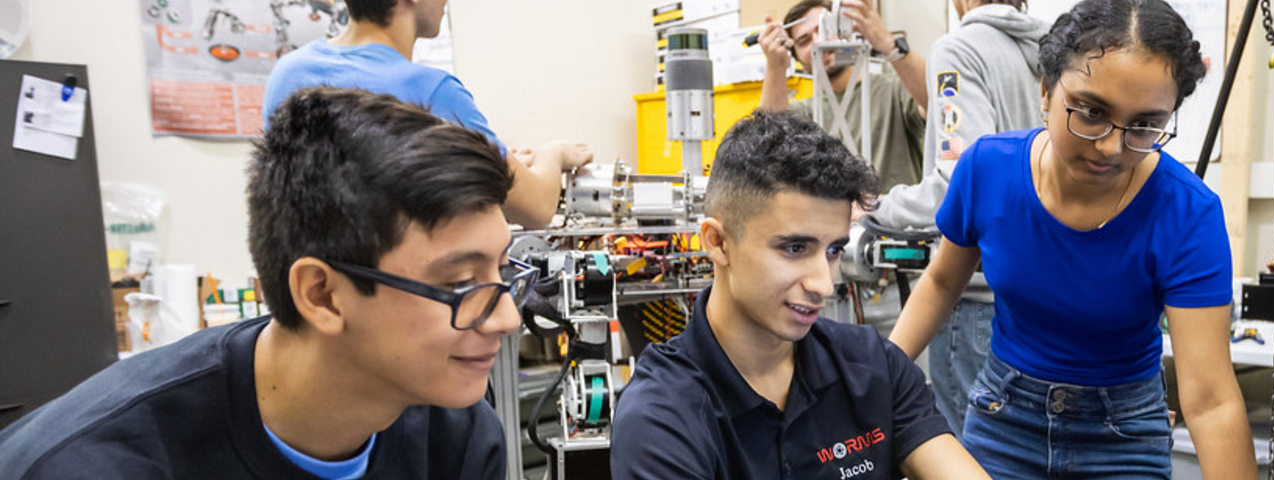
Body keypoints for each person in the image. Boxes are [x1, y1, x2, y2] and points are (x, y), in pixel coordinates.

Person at [0, 87, 522, 479]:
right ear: (321, 294)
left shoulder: (456, 434)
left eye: (503, 270)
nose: (507, 317)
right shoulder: (93, 466)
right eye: (459, 283)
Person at [888, 0, 1257, 478]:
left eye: (1144, 125)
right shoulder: (987, 169)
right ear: (1045, 90)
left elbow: (1209, 400)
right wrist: (886, 375)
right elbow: (940, 283)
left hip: (1123, 432)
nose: (1110, 146)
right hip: (1004, 418)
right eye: (1090, 111)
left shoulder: (1187, 213)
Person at [611, 111, 990, 480]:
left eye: (833, 251)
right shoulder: (661, 416)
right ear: (718, 242)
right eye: (795, 249)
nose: (823, 285)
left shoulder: (874, 368)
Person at [867, 0, 1048, 436]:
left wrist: (874, 207)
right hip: (1037, 302)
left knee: (968, 457)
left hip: (974, 303)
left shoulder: (958, 51)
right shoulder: (1051, 50)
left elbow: (958, 183)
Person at [262, 0, 589, 229]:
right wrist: (555, 154)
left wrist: (479, 160)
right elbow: (536, 208)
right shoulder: (431, 92)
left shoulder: (288, 72)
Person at [755, 0, 927, 191]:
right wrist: (776, 65)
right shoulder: (804, 113)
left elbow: (938, 101)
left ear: (846, 31)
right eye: (805, 41)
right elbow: (765, 146)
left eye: (824, 29)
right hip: (833, 221)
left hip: (896, 219)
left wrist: (887, 43)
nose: (819, 42)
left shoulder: (894, 90)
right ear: (797, 57)